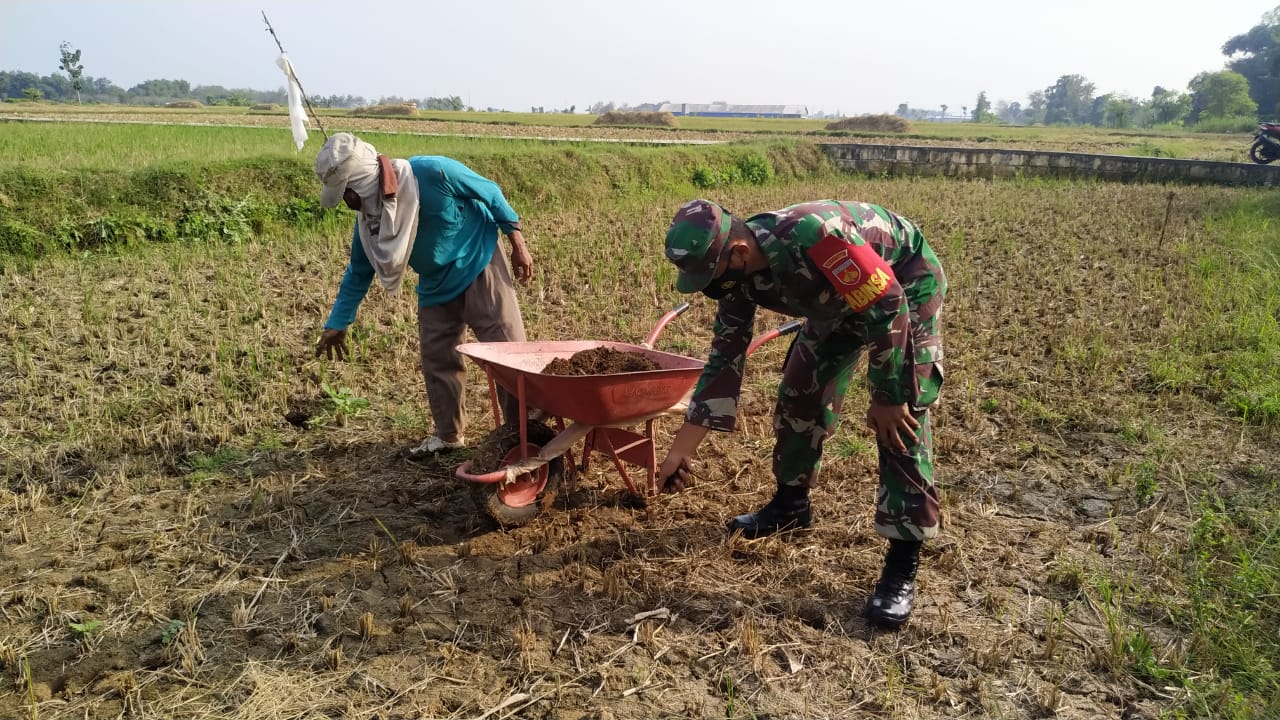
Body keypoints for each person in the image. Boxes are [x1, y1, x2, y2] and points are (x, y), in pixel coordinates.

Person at [656, 199, 946, 628]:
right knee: (799, 395)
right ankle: (791, 506)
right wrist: (681, 450)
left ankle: (902, 565)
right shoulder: (735, 276)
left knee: (900, 419)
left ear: (736, 253)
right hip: (838, 302)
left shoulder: (817, 237)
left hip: (902, 287)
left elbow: (886, 305)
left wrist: (888, 394)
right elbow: (725, 358)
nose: (706, 288)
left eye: (707, 276)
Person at [312, 132, 533, 457]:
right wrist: (338, 322)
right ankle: (449, 436)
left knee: (507, 354)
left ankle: (527, 433)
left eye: (347, 194)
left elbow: (490, 193)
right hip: (435, 281)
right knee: (437, 359)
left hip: (479, 262)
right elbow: (359, 271)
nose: (347, 203)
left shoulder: (432, 173)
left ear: (361, 182)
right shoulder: (371, 222)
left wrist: (518, 245)